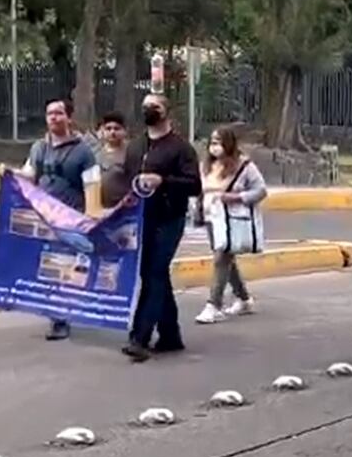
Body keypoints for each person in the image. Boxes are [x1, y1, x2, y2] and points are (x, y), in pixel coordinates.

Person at [1, 98, 97, 341]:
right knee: (49, 268)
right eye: (50, 114)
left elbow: (92, 185)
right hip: (44, 219)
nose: (54, 117)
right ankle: (58, 317)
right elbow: (29, 177)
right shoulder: (38, 149)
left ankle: (62, 318)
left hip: (70, 219)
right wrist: (10, 173)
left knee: (65, 267)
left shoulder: (83, 151)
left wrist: (91, 216)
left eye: (59, 113)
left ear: (69, 118)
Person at [121, 93, 202, 363]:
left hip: (170, 218)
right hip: (142, 218)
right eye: (144, 106)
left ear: (167, 112)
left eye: (154, 106)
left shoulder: (181, 148)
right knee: (153, 274)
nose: (148, 110)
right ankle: (170, 334)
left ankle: (139, 337)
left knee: (155, 272)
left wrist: (163, 181)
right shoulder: (135, 147)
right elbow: (126, 180)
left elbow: (194, 185)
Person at [195, 127, 268, 325]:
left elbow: (261, 190)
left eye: (218, 142)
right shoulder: (207, 165)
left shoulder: (244, 166)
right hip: (212, 218)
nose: (214, 147)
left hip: (231, 219)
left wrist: (237, 197)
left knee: (222, 258)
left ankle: (213, 305)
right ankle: (244, 298)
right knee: (227, 259)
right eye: (212, 142)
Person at [96, 112, 130, 209]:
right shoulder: (95, 152)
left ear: (125, 131)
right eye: (108, 129)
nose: (112, 132)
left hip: (124, 208)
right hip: (100, 208)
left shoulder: (132, 152)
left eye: (116, 128)